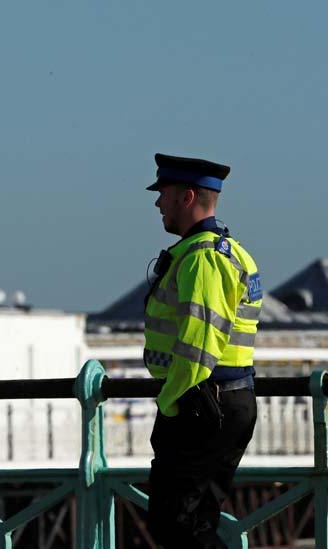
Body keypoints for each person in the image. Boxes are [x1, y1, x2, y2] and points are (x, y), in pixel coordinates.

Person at [143, 153, 262, 548]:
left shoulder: (202, 260)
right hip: (225, 401)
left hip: (201, 404)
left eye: (164, 193)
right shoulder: (230, 251)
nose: (158, 202)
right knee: (194, 524)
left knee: (175, 523)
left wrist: (170, 403)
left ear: (187, 196)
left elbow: (199, 345)